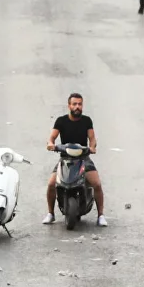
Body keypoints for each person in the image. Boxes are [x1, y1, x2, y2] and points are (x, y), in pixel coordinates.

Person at [45, 94, 110, 226]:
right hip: (65, 158)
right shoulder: (61, 121)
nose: (77, 107)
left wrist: (92, 147)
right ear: (69, 106)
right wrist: (51, 144)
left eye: (79, 104)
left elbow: (92, 138)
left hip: (83, 158)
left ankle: (100, 216)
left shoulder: (87, 121)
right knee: (51, 184)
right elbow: (52, 137)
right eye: (74, 104)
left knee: (96, 184)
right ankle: (50, 214)